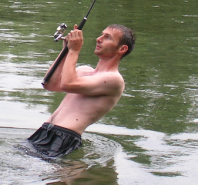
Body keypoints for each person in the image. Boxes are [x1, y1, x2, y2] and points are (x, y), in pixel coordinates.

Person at [28, 24, 135, 158]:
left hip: (65, 137)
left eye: (107, 37)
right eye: (101, 34)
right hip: (44, 131)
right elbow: (50, 84)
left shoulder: (114, 80)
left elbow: (68, 84)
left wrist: (74, 51)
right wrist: (66, 50)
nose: (98, 39)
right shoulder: (84, 71)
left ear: (122, 49)